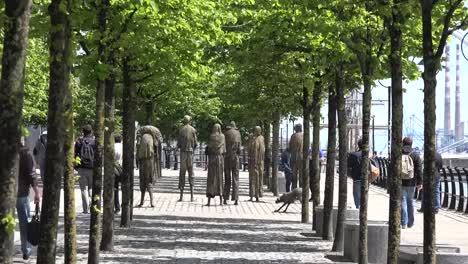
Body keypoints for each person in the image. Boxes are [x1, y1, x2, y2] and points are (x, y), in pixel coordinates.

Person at [17, 139, 41, 260]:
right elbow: (31, 174)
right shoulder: (25, 153)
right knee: (23, 221)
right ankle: (26, 249)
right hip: (21, 192)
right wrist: (36, 191)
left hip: (7, 192)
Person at [136, 126, 162, 207]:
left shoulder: (142, 137)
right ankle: (150, 202)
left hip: (145, 160)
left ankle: (143, 201)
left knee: (143, 181)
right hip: (149, 160)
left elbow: (138, 147)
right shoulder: (152, 138)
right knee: (148, 181)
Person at [400, 137, 422, 229]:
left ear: (403, 143)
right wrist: (419, 182)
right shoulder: (415, 155)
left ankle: (403, 222)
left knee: (403, 201)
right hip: (412, 182)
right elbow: (419, 170)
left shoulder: (399, 153)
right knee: (410, 201)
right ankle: (410, 222)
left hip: (401, 181)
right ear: (411, 144)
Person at [347, 139, 375, 209]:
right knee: (364, 196)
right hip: (367, 178)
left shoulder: (353, 155)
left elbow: (348, 166)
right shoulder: (369, 155)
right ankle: (363, 211)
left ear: (358, 145)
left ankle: (359, 210)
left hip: (357, 178)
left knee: (357, 196)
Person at [75, 124, 95, 214]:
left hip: (81, 168)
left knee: (83, 189)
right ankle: (92, 204)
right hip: (92, 167)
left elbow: (75, 154)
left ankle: (85, 209)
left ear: (83, 132)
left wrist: (76, 166)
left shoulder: (79, 141)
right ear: (91, 132)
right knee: (91, 187)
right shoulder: (94, 142)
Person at [177, 115, 198, 202]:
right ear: (189, 121)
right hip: (190, 153)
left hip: (183, 154)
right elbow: (196, 143)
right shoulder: (193, 130)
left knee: (182, 173)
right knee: (191, 173)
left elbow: (178, 144)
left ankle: (181, 196)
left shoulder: (181, 130)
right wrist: (192, 149)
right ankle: (192, 196)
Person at [205, 124, 226, 206]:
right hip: (220, 159)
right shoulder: (223, 137)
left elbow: (209, 148)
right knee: (220, 178)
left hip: (212, 159)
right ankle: (221, 199)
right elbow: (224, 150)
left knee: (211, 179)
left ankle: (209, 200)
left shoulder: (211, 137)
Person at [223, 121, 242, 205]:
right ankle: (236, 198)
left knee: (227, 178)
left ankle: (225, 198)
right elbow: (239, 149)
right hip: (235, 158)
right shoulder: (238, 134)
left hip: (227, 158)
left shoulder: (226, 134)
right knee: (236, 178)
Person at [249, 126, 265, 202]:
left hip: (255, 162)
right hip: (260, 162)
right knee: (259, 178)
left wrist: (254, 161)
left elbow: (255, 151)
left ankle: (254, 195)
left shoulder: (256, 140)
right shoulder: (262, 138)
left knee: (254, 179)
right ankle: (257, 194)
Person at [289, 124, 303, 189]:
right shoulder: (305, 136)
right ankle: (301, 191)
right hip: (302, 158)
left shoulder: (293, 136)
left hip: (294, 157)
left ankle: (294, 192)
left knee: (294, 176)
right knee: (301, 176)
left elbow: (289, 147)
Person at [114, 134, 123, 213]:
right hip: (123, 169)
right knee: (124, 188)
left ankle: (117, 207)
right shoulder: (123, 147)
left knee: (115, 189)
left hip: (115, 170)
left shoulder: (113, 147)